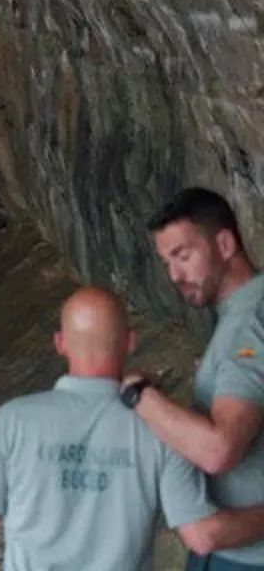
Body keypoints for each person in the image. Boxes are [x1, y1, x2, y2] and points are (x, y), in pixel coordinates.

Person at [0, 286, 264, 571]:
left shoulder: (13, 421)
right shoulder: (163, 429)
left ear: (59, 343)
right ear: (131, 341)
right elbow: (202, 535)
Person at [123, 187, 264, 570]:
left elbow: (220, 450)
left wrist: (139, 395)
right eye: (166, 262)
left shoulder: (248, 327)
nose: (175, 275)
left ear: (224, 243)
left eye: (183, 256)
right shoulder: (241, 317)